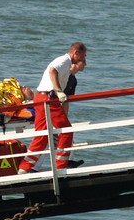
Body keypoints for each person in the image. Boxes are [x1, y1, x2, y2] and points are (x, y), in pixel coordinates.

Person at [17, 42, 88, 174]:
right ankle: (61, 165)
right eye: (83, 56)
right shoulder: (65, 61)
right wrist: (58, 90)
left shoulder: (65, 63)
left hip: (40, 97)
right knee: (66, 131)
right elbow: (52, 71)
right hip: (49, 99)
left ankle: (24, 167)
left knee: (42, 135)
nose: (84, 60)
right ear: (75, 53)